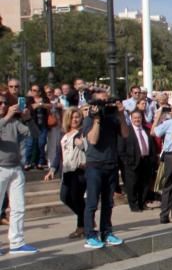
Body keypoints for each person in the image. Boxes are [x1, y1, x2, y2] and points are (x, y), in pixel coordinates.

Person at [80, 89, 129, 249]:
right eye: (101, 101)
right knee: (92, 202)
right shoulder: (89, 119)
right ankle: (90, 235)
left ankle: (106, 232)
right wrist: (96, 120)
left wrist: (121, 115)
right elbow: (93, 140)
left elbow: (125, 134)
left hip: (111, 164)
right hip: (95, 165)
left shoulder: (113, 117)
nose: (105, 104)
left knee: (108, 202)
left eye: (106, 101)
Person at [0, 96, 37, 254]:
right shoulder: (6, 120)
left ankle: (17, 242)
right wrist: (7, 116)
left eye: (4, 103)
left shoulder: (14, 123)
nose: (3, 105)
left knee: (18, 207)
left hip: (16, 168)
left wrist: (28, 119)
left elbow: (34, 134)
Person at [57, 107, 88, 239]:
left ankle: (82, 226)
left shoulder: (83, 131)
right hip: (66, 170)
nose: (75, 119)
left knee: (77, 198)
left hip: (79, 170)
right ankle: (87, 219)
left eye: (77, 117)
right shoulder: (64, 134)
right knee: (65, 197)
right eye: (72, 117)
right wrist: (53, 169)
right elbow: (59, 153)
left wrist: (81, 143)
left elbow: (88, 146)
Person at [119, 109, 157, 212]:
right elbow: (121, 149)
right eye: (135, 118)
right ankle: (134, 205)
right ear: (131, 119)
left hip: (146, 161)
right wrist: (126, 162)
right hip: (132, 162)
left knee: (145, 184)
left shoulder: (146, 130)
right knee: (132, 185)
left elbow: (152, 146)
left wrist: (153, 160)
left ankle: (142, 203)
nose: (137, 120)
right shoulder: (126, 131)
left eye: (139, 117)